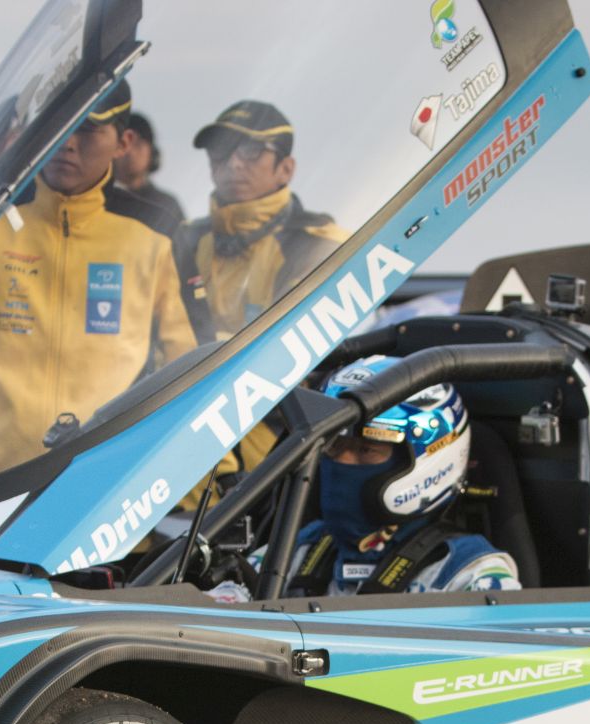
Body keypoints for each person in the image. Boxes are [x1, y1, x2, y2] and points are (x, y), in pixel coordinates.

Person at [0, 82, 194, 481]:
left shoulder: (152, 236)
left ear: (123, 142)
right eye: (58, 126)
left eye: (88, 129)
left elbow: (184, 366)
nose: (67, 143)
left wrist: (191, 478)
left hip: (109, 483)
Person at [283, 357, 519, 596]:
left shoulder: (469, 575)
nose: (342, 462)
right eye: (334, 445)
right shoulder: (299, 548)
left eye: (366, 449)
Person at [176, 100, 346, 343]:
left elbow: (293, 345)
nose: (233, 163)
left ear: (286, 169)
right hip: (177, 381)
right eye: (220, 149)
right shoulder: (182, 240)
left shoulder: (322, 246)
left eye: (251, 150)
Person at [116, 112, 184, 224]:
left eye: (138, 145)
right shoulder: (98, 200)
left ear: (152, 154)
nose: (131, 152)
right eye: (124, 144)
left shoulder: (167, 206)